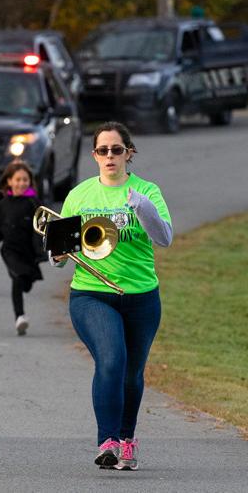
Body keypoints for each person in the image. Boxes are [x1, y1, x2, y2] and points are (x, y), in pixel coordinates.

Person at [53, 121, 172, 470]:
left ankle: (127, 439)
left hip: (141, 296)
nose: (109, 156)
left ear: (128, 153)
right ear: (94, 155)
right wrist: (57, 253)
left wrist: (143, 209)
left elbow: (164, 238)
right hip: (91, 294)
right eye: (102, 150)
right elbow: (60, 255)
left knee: (132, 373)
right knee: (112, 359)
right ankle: (107, 442)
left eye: (116, 150)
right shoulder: (80, 195)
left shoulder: (148, 191)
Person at [0, 161, 44, 335]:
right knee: (17, 278)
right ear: (9, 181)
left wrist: (44, 252)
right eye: (17, 180)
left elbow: (44, 229)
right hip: (10, 251)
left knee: (26, 282)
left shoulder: (34, 203)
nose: (21, 183)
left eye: (25, 180)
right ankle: (20, 317)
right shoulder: (3, 205)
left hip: (29, 252)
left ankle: (23, 288)